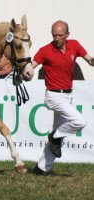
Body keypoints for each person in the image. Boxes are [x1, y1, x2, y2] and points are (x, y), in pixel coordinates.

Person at [32, 20, 94, 175]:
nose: (57, 38)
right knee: (79, 121)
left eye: (60, 35)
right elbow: (31, 66)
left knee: (56, 140)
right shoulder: (45, 50)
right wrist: (24, 70)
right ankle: (55, 137)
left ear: (67, 34)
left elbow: (90, 60)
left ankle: (41, 168)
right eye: (54, 35)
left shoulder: (75, 45)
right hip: (53, 96)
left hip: (68, 95)